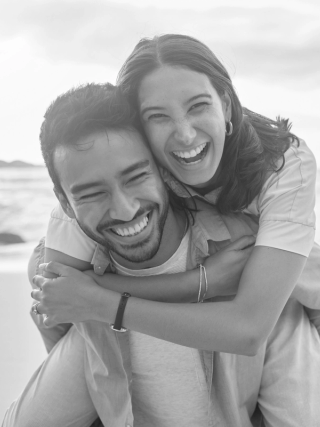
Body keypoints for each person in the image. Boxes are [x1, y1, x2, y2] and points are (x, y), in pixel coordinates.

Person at [4, 83, 320, 427]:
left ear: (163, 169)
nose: (124, 210)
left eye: (136, 176)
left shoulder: (251, 258)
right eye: (91, 194)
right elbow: (50, 310)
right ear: (65, 202)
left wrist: (200, 282)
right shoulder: (75, 287)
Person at [41, 34, 320, 355]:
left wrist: (104, 301)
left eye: (199, 105)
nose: (185, 135)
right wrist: (202, 282)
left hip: (298, 297)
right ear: (138, 129)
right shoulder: (127, 172)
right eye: (158, 116)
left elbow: (249, 328)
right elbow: (55, 292)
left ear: (226, 105)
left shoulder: (285, 164)